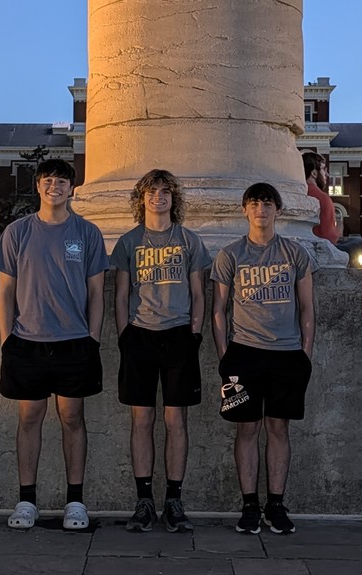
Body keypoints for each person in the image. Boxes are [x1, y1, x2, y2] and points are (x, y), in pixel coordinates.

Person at [0, 158, 109, 531]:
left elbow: (97, 293)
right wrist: (7, 340)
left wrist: (92, 338)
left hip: (75, 342)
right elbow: (5, 292)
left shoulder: (87, 233)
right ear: (38, 187)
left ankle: (76, 500)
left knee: (72, 418)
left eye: (61, 180)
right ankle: (27, 501)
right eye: (47, 180)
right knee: (29, 418)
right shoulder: (18, 232)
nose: (54, 185)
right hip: (27, 342)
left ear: (72, 188)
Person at [210, 183, 316, 535]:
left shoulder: (294, 253)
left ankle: (276, 503)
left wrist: (306, 355)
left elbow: (307, 309)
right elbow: (218, 311)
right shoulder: (230, 255)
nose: (261, 209)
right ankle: (249, 505)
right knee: (247, 428)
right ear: (245, 210)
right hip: (244, 354)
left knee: (278, 428)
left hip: (287, 354)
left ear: (277, 210)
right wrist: (226, 357)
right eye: (254, 203)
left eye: (267, 203)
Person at [110, 169, 211, 533]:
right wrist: (125, 336)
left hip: (179, 336)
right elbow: (120, 295)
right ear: (141, 199)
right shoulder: (128, 242)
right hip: (140, 337)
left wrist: (195, 333)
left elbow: (200, 293)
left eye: (165, 192)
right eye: (151, 192)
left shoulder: (189, 240)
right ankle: (143, 500)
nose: (158, 198)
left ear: (173, 199)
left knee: (175, 421)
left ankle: (174, 499)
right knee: (141, 420)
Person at [303, 152, 341, 244]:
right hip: (319, 247)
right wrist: (339, 230)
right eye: (324, 170)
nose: (327, 174)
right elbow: (329, 237)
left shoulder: (298, 193)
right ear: (314, 173)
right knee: (357, 243)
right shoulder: (322, 199)